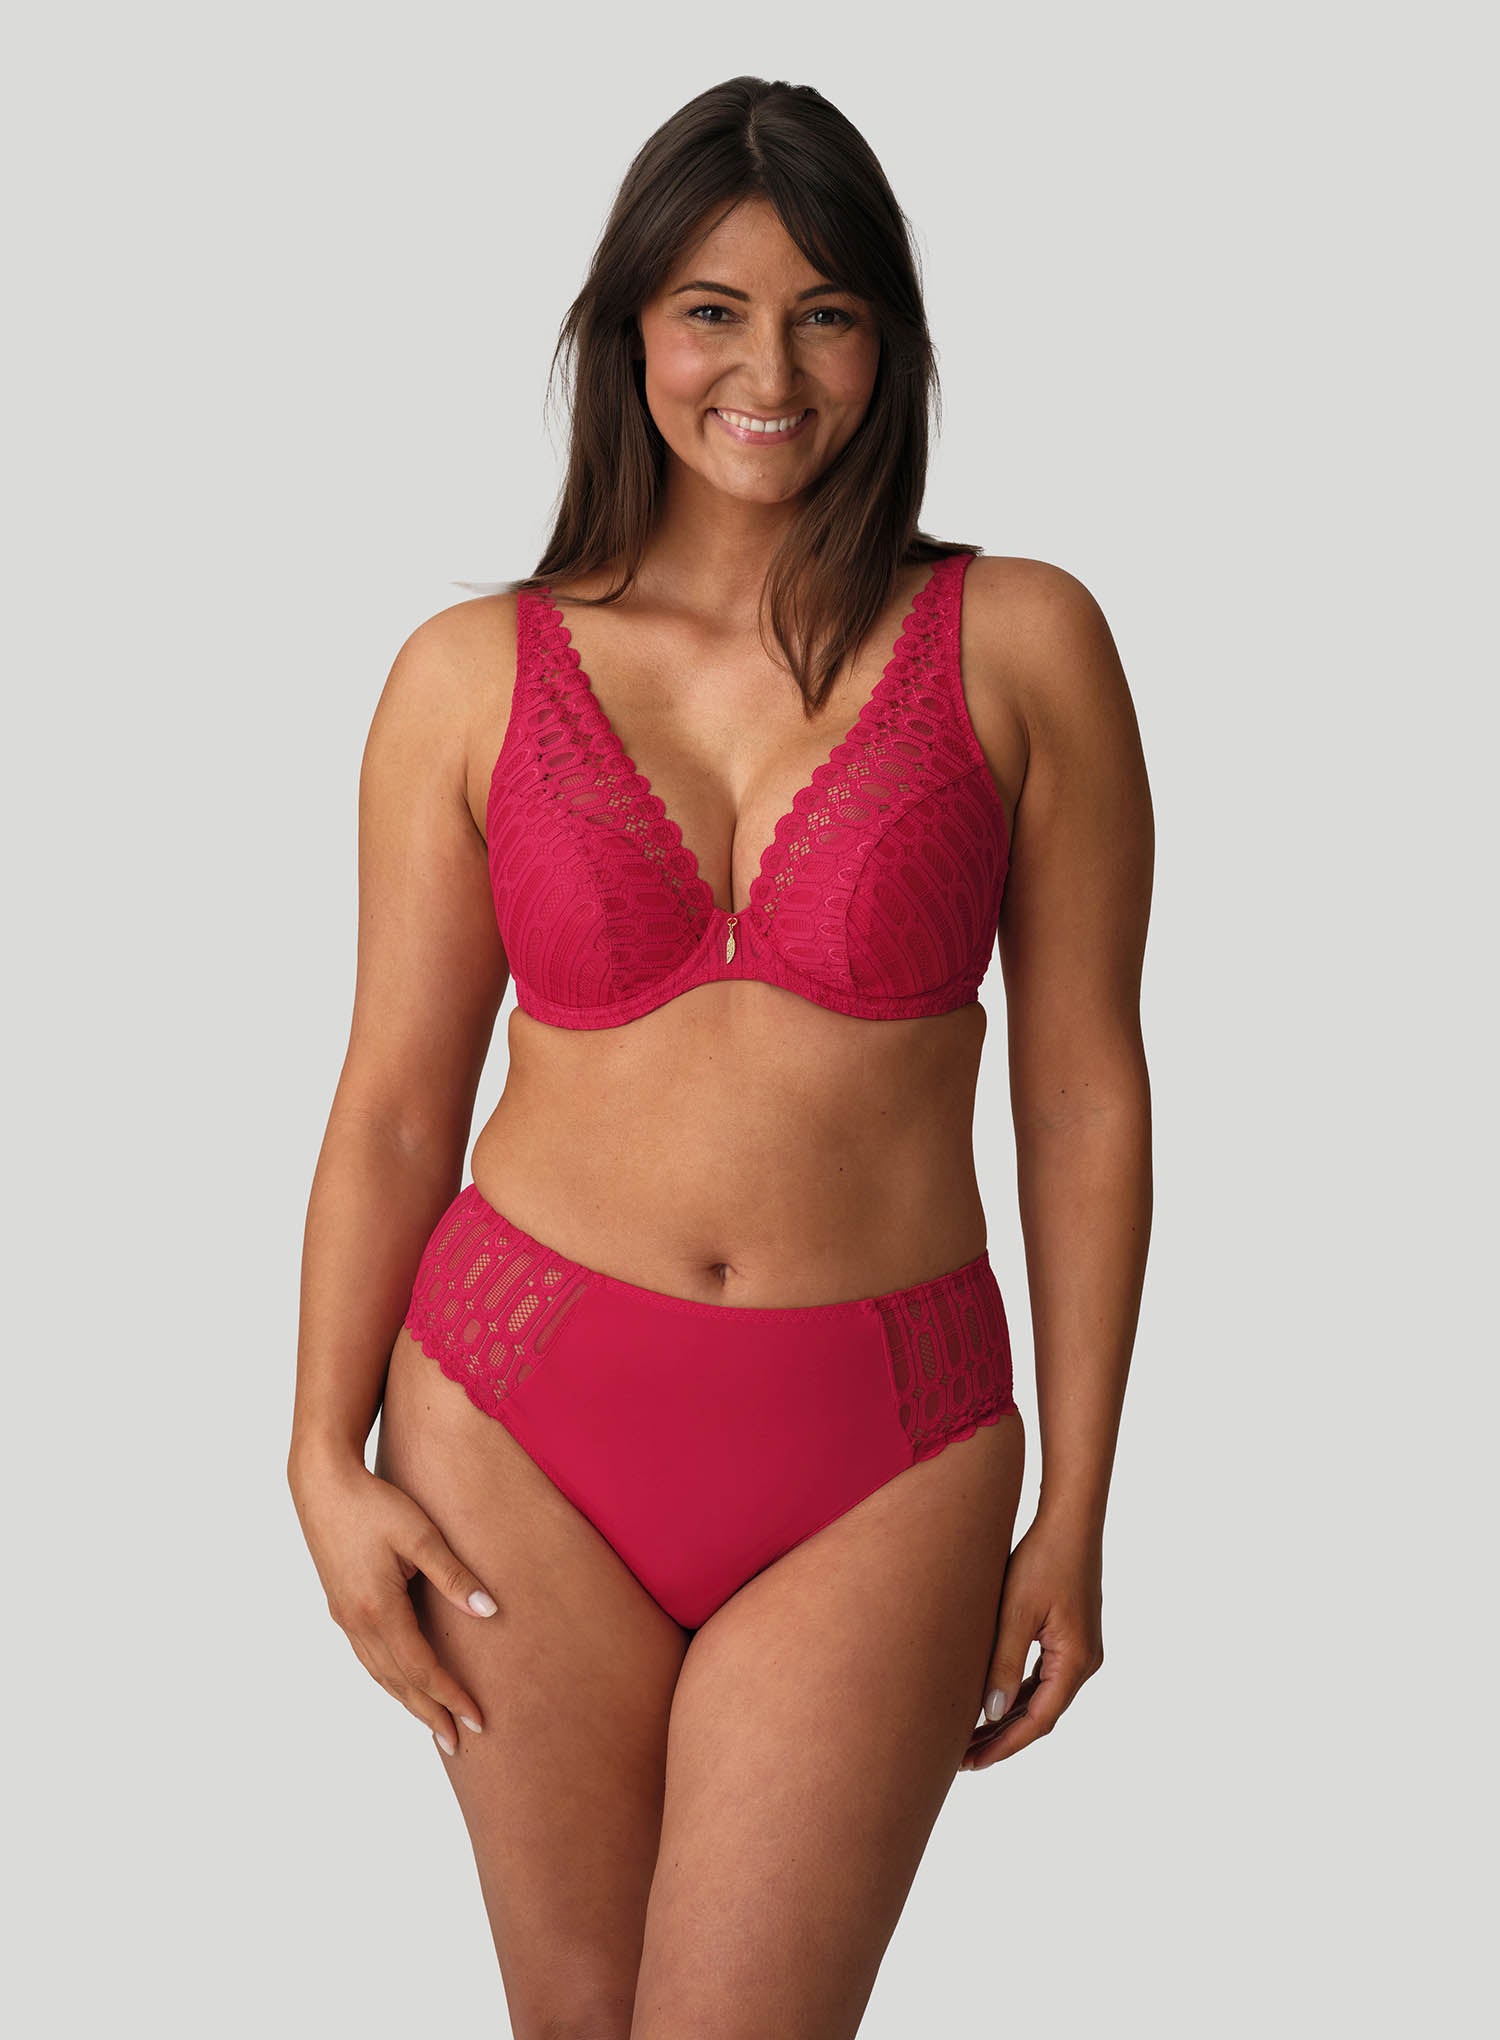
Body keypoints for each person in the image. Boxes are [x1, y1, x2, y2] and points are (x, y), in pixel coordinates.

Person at [288, 73, 1154, 2040]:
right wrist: (319, 1454)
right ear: (629, 336)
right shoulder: (466, 673)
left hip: (887, 1447)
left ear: (890, 344)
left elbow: (1084, 1092)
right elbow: (398, 1105)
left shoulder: (1025, 642)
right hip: (515, 1416)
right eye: (713, 311)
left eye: (827, 313)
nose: (770, 371)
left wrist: (1083, 1501)